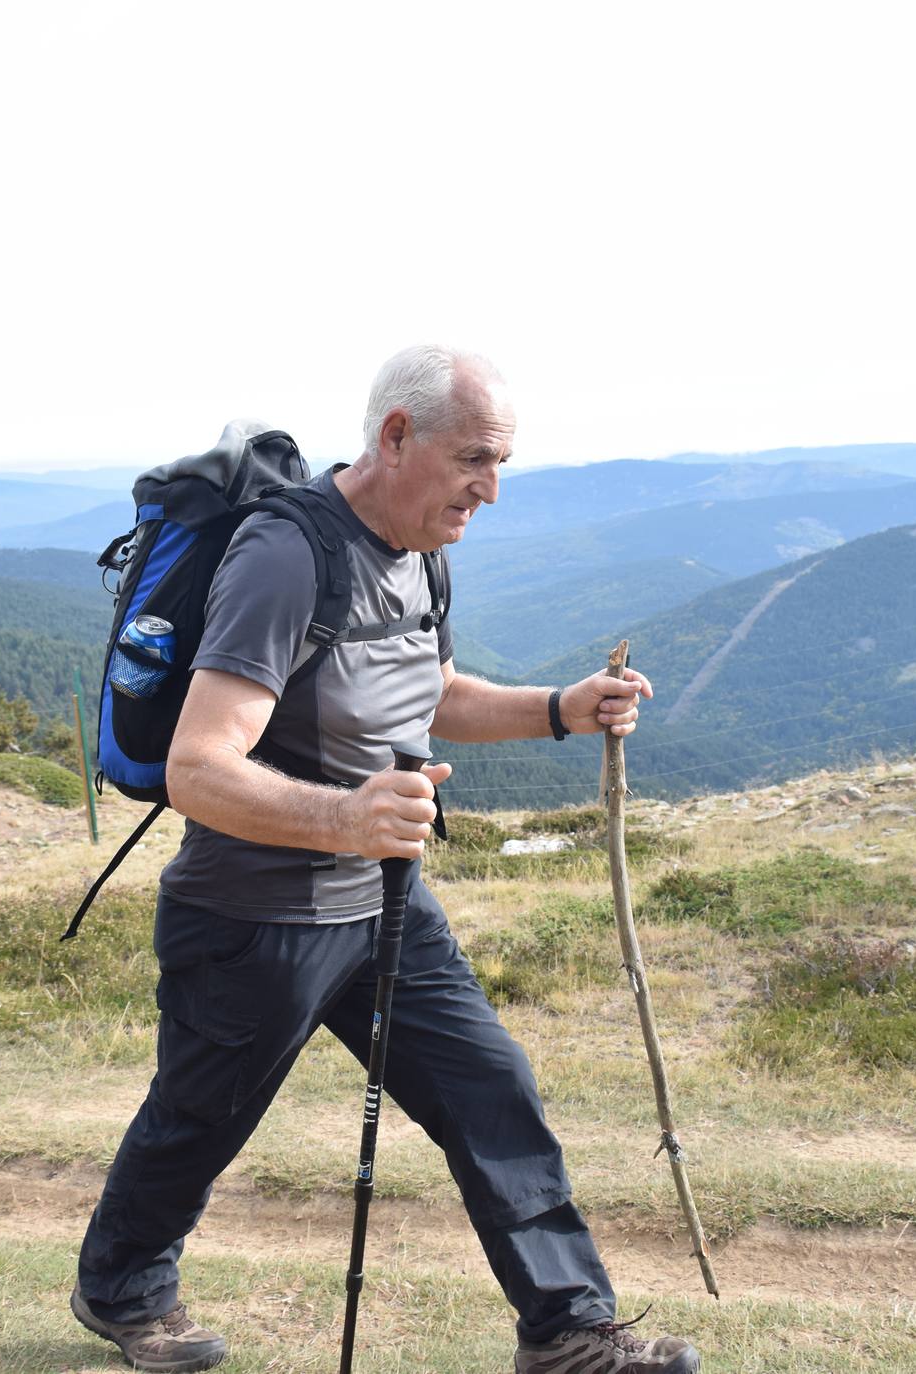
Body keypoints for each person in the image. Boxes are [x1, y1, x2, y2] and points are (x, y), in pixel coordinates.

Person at [71, 345, 702, 1374]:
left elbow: (433, 693)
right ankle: (121, 1290)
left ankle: (570, 1332)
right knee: (197, 1120)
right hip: (251, 919)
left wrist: (560, 711)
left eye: (502, 464)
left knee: (491, 1089)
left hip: (384, 906)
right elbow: (197, 766)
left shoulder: (422, 551)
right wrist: (346, 821)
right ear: (397, 436)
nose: (490, 490)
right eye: (475, 461)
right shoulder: (286, 558)